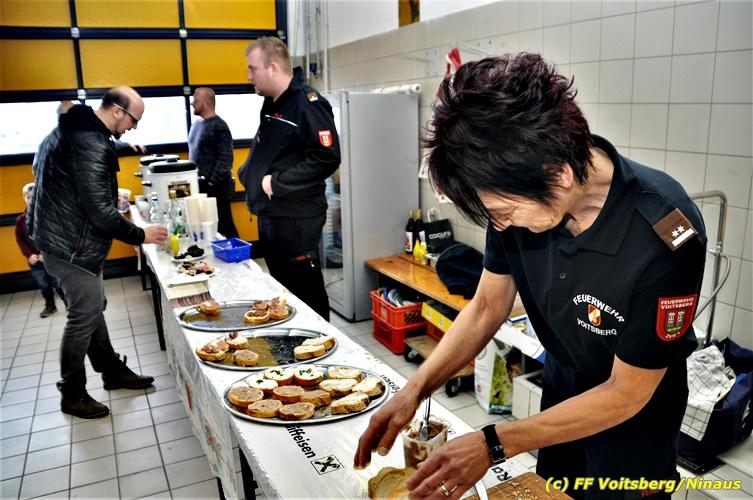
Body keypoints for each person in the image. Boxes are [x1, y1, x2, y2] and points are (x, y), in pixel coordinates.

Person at [354, 54, 706, 500]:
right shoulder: (515, 195)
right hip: (561, 390)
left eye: (502, 212)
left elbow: (626, 392)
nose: (498, 225)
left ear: (558, 175)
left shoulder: (663, 234)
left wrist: (494, 443)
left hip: (634, 418)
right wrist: (416, 388)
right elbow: (487, 306)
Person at [28, 87, 168, 419]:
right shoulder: (90, 143)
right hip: (71, 246)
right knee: (82, 318)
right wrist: (141, 235)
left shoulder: (67, 130)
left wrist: (116, 152)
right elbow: (102, 214)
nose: (134, 127)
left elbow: (56, 166)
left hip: (57, 237)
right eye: (134, 119)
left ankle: (111, 370)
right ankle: (72, 392)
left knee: (92, 308)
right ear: (117, 111)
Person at [240, 37, 340, 321]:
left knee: (306, 295)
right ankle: (291, 341)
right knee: (282, 293)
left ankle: (319, 343)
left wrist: (277, 182)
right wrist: (249, 171)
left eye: (252, 69)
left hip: (296, 220)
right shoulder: (272, 103)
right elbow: (276, 150)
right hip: (272, 215)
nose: (249, 76)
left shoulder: (307, 104)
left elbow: (327, 157)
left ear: (272, 68)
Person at [189, 87, 239, 238]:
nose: (192, 103)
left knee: (225, 226)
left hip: (216, 188)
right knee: (207, 229)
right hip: (201, 187)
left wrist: (212, 182)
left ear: (205, 102)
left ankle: (237, 252)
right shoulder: (197, 124)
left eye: (195, 100)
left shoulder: (219, 126)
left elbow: (226, 158)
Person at [15, 183, 65, 318]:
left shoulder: (47, 216)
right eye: (27, 197)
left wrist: (46, 253)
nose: (30, 200)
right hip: (35, 261)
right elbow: (20, 239)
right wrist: (29, 255)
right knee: (43, 283)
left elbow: (54, 236)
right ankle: (50, 306)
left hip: (50, 258)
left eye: (34, 197)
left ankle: (69, 303)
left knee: (57, 281)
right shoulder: (20, 220)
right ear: (23, 198)